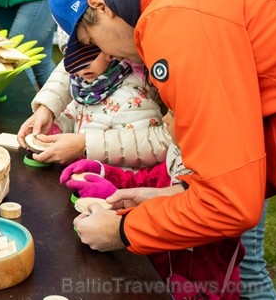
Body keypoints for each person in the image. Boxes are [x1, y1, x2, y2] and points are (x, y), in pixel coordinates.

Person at [48, 0, 276, 297]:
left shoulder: (174, 18)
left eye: (92, 42)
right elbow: (239, 155)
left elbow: (231, 204)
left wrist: (123, 231)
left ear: (100, 6)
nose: (107, 55)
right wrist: (176, 194)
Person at [62, 112, 244, 300]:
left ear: (198, 126)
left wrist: (117, 212)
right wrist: (103, 172)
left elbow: (182, 224)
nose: (164, 118)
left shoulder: (215, 192)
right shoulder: (178, 157)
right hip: (158, 278)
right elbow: (145, 181)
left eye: (173, 114)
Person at [17, 37, 170, 167]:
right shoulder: (85, 84)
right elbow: (75, 112)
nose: (82, 66)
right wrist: (54, 129)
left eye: (90, 54)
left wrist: (85, 150)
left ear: (111, 50)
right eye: (71, 56)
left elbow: (143, 153)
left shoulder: (134, 100)